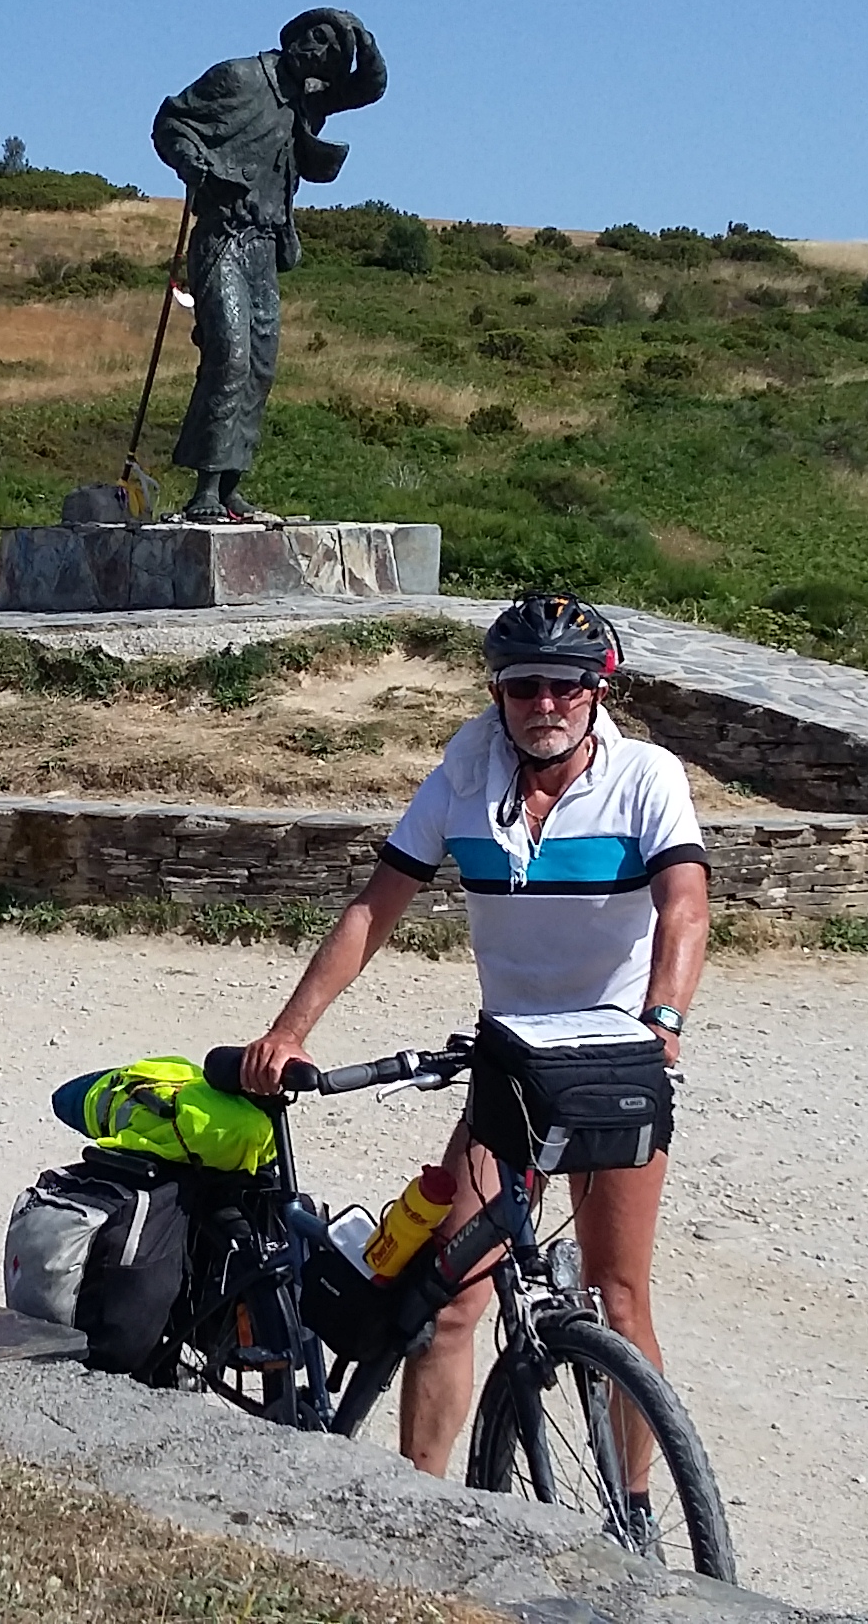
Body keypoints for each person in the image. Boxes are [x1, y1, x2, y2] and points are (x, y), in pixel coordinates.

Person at [236, 593, 707, 1481]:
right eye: (523, 686)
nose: (545, 704)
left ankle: (634, 1514)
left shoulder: (647, 776)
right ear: (497, 690)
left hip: (616, 1061)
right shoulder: (467, 768)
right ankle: (425, 1508)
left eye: (566, 685)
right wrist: (288, 1031)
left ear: (598, 687)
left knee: (619, 1300)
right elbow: (379, 904)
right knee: (450, 1297)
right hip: (510, 1067)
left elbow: (684, 903)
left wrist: (664, 1022)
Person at [149, 8, 387, 523]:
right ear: (296, 35)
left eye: (331, 52)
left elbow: (369, 88)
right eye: (316, 38)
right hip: (222, 237)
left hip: (265, 246)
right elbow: (171, 121)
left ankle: (231, 487)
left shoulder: (309, 98)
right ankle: (205, 490)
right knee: (230, 356)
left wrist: (362, 38)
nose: (319, 52)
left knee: (260, 366)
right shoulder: (239, 76)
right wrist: (192, 164)